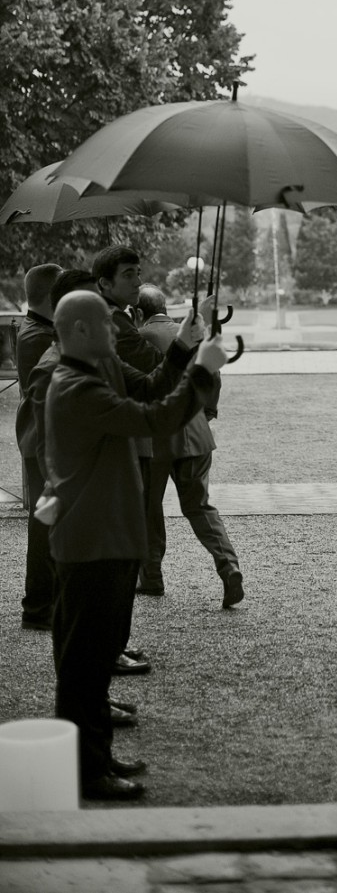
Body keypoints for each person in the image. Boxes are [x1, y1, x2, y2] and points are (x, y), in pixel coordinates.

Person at [44, 290, 227, 801]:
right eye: (106, 322)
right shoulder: (75, 386)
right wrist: (204, 371)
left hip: (109, 535)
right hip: (91, 541)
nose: (116, 327)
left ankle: (96, 757)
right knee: (83, 665)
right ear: (81, 330)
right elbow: (154, 420)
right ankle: (87, 772)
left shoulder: (98, 367)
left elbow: (149, 390)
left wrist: (183, 346)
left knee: (97, 656)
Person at [136, 283, 243, 608]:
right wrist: (207, 411)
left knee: (148, 509)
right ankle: (229, 566)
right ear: (165, 308)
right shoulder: (192, 333)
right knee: (199, 507)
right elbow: (213, 374)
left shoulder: (138, 337)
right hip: (195, 431)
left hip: (154, 437)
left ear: (138, 312)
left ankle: (151, 577)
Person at [14, 262, 62, 630]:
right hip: (42, 439)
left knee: (46, 518)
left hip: (38, 437)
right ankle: (39, 606)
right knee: (45, 521)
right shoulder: (40, 337)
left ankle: (44, 603)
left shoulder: (36, 329)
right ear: (53, 296)